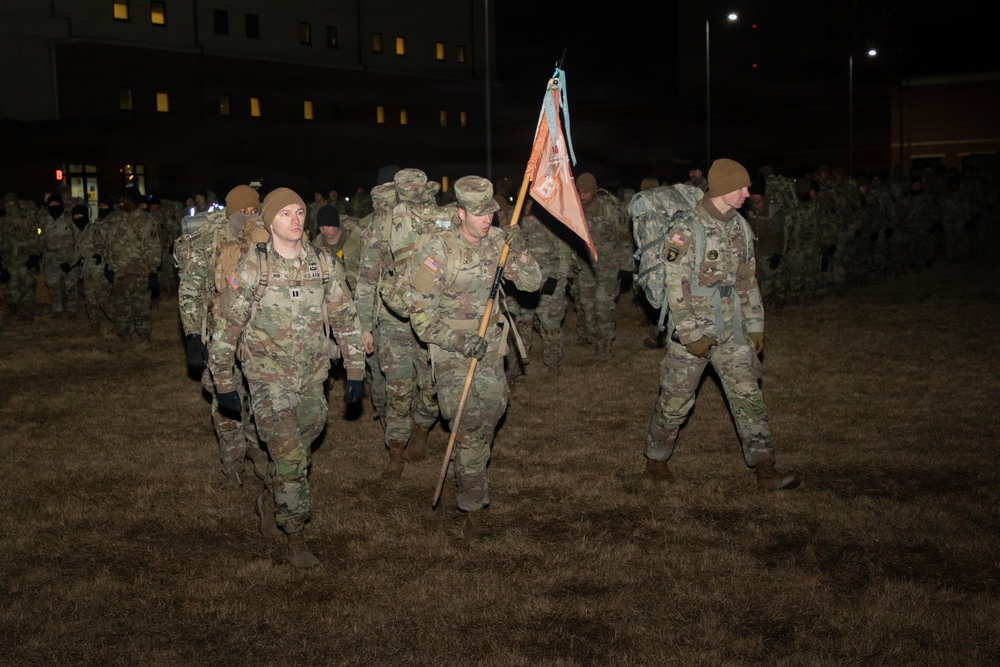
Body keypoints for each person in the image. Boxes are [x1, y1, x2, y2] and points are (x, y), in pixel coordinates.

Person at [209, 187, 366, 568]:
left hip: (313, 376)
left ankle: (270, 494)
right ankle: (295, 536)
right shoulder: (253, 267)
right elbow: (227, 327)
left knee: (301, 445)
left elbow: (345, 317)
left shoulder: (323, 264)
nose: (295, 220)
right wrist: (224, 382)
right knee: (292, 457)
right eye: (285, 214)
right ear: (269, 222)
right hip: (268, 379)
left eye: (299, 212)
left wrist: (355, 370)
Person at [643, 158, 799, 491]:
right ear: (724, 187)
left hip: (733, 327)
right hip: (693, 328)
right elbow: (675, 286)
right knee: (675, 401)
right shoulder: (686, 228)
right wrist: (691, 335)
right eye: (741, 187)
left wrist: (755, 324)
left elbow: (747, 280)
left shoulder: (740, 226)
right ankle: (656, 460)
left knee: (748, 394)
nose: (747, 193)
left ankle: (765, 467)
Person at [406, 176, 541, 539]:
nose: (487, 220)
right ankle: (473, 506)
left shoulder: (498, 241)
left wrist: (521, 250)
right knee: (468, 425)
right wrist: (458, 342)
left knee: (489, 419)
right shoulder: (438, 251)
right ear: (461, 212)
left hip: (491, 348)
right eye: (479, 213)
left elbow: (532, 283)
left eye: (491, 213)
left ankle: (467, 468)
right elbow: (420, 315)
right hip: (452, 350)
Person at [177, 184, 271, 490]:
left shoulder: (267, 238)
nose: (248, 217)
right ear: (230, 213)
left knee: (260, 398)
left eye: (253, 211)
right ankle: (232, 467)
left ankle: (256, 449)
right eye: (241, 212)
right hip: (221, 335)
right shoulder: (210, 242)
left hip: (260, 335)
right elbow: (190, 289)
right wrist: (193, 335)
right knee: (225, 400)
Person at [572, 172, 631, 360]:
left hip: (608, 264)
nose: (582, 196)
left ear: (594, 191)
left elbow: (625, 239)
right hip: (586, 265)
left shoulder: (609, 209)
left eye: (586, 192)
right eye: (579, 191)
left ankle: (606, 341)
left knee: (603, 304)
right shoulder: (576, 211)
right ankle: (595, 339)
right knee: (587, 305)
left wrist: (626, 267)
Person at [104, 186, 160, 344]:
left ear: (133, 201)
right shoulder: (116, 220)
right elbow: (110, 244)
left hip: (140, 272)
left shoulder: (145, 220)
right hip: (120, 271)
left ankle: (144, 338)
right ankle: (126, 336)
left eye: (125, 198)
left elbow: (153, 247)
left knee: (141, 306)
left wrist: (153, 271)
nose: (121, 201)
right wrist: (109, 265)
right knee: (122, 306)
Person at [0, 192, 43, 320]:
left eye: (12, 203)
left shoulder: (27, 219)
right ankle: (15, 310)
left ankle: (28, 314)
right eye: (7, 204)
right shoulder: (2, 222)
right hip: (8, 261)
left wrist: (34, 256)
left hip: (25, 260)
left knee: (27, 288)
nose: (10, 206)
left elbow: (36, 236)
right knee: (12, 290)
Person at [41, 193, 81, 319]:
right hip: (51, 257)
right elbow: (41, 237)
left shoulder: (69, 219)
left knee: (71, 286)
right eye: (51, 204)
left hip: (68, 257)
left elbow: (79, 240)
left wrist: (74, 260)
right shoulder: (44, 220)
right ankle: (57, 309)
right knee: (53, 285)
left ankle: (72, 310)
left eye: (56, 204)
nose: (54, 206)